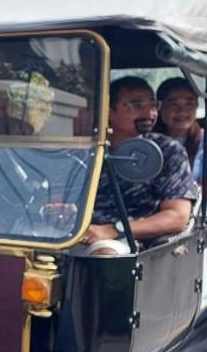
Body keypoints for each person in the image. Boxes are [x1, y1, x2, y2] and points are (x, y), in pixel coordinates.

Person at [83, 76, 198, 252]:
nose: (149, 114)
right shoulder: (88, 149)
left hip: (127, 242)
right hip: (74, 234)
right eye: (137, 106)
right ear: (108, 111)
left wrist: (114, 230)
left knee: (104, 256)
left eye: (153, 105)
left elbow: (177, 216)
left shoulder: (167, 151)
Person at [155, 78, 207, 216]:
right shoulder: (151, 141)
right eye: (173, 104)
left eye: (189, 104)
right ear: (160, 107)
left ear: (196, 106)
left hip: (194, 216)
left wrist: (172, 196)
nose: (182, 111)